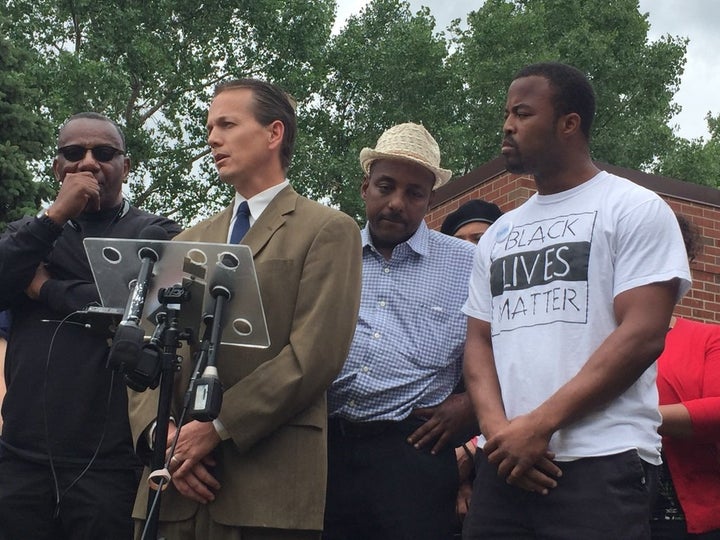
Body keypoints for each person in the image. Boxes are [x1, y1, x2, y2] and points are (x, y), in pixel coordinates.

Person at [461, 62, 691, 539]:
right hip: (504, 467)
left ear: (569, 123)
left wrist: (539, 425)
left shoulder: (633, 208)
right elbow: (479, 343)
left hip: (601, 461)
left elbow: (643, 335)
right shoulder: (498, 234)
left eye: (522, 113)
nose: (507, 125)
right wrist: (502, 434)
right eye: (506, 113)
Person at [127, 78, 363, 540]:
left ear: (274, 133)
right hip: (172, 484)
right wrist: (162, 435)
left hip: (267, 488)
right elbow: (143, 345)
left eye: (228, 124)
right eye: (210, 126)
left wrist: (217, 426)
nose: (212, 137)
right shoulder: (187, 241)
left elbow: (315, 354)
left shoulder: (327, 230)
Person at [0, 112, 181, 540]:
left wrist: (45, 288)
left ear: (126, 166)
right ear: (56, 166)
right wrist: (57, 214)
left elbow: (135, 309)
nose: (88, 163)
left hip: (108, 465)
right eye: (73, 153)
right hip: (21, 458)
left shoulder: (155, 234)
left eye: (104, 153)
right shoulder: (33, 232)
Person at [323, 122, 477, 540]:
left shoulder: (469, 263)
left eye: (414, 193)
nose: (396, 203)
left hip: (414, 452)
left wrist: (472, 404)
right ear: (364, 187)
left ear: (430, 198)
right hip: (324, 447)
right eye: (385, 186)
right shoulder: (329, 255)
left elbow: (504, 349)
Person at [651, 214, 720, 539]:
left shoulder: (708, 338)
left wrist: (630, 416)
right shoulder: (592, 340)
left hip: (695, 515)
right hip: (610, 509)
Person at [440, 199, 504, 529]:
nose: (470, 250)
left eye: (479, 240)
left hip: (502, 456)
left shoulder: (517, 303)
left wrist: (472, 448)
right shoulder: (438, 303)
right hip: (440, 460)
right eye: (460, 241)